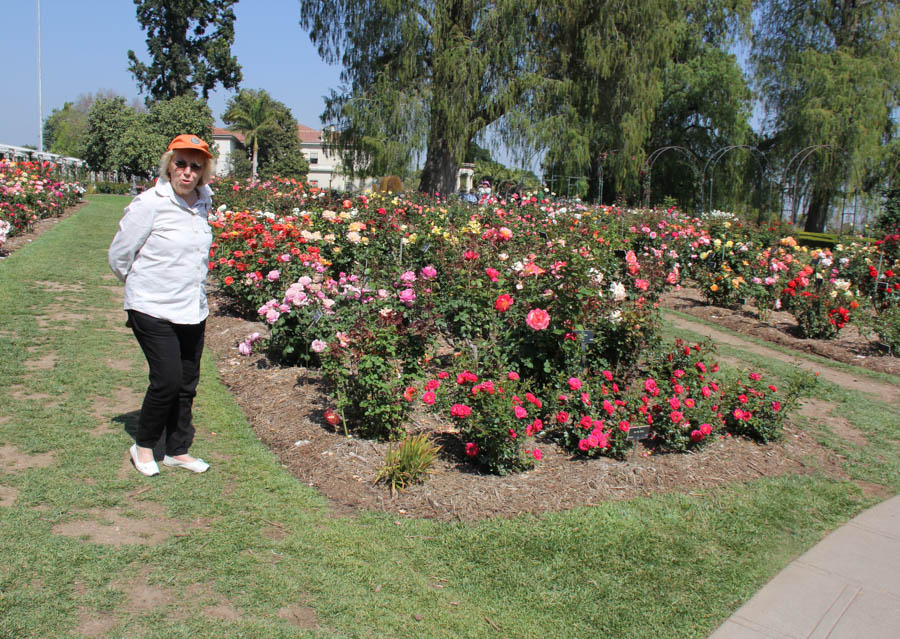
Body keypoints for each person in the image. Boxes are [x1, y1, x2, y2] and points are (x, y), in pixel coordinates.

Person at [108, 134, 215, 476]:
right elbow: (119, 255)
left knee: (186, 383)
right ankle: (143, 446)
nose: (187, 172)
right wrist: (141, 287)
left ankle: (176, 450)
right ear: (169, 165)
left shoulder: (203, 202)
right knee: (167, 380)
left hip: (192, 308)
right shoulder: (150, 203)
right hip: (152, 307)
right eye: (180, 164)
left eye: (195, 166)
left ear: (203, 172)